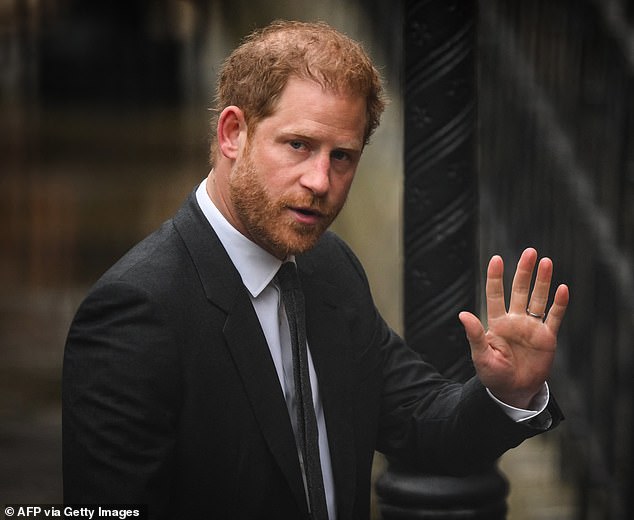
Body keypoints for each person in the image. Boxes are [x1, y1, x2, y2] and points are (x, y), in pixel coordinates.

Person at [62, 20, 570, 520]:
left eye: (343, 156)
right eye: (299, 145)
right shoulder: (137, 311)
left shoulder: (329, 267)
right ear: (233, 133)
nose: (320, 180)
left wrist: (505, 393)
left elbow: (421, 426)